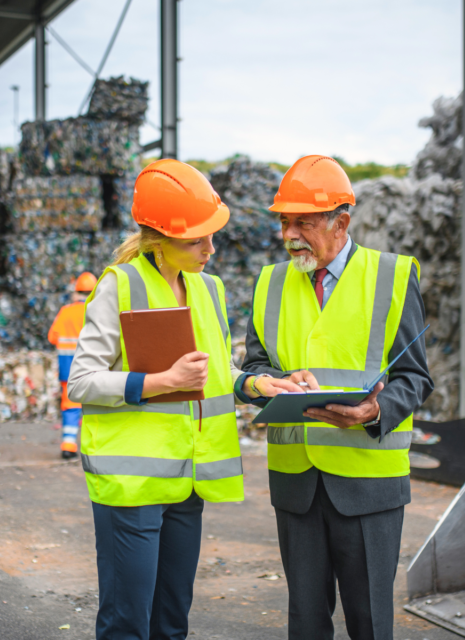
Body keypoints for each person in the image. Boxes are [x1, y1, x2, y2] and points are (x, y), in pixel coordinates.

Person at [67, 159, 301, 640]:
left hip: (186, 480)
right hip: (130, 485)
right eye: (197, 240)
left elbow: (216, 369)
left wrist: (255, 386)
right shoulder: (121, 285)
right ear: (158, 238)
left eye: (212, 236)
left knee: (172, 623)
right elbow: (82, 381)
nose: (210, 250)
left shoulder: (208, 288)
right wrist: (159, 381)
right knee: (127, 624)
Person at [241, 155, 433, 640]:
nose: (289, 235)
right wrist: (270, 383)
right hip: (296, 483)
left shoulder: (391, 276)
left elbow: (415, 376)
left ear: (341, 222)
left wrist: (375, 411)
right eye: (284, 221)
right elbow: (255, 365)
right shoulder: (270, 282)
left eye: (302, 222)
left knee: (369, 621)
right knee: (305, 623)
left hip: (370, 483)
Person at [47, 271, 97, 460]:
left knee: (70, 407)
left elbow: (52, 337)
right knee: (93, 407)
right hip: (92, 371)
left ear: (76, 292)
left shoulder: (66, 311)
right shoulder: (97, 311)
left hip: (68, 370)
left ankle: (68, 445)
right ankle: (91, 448)